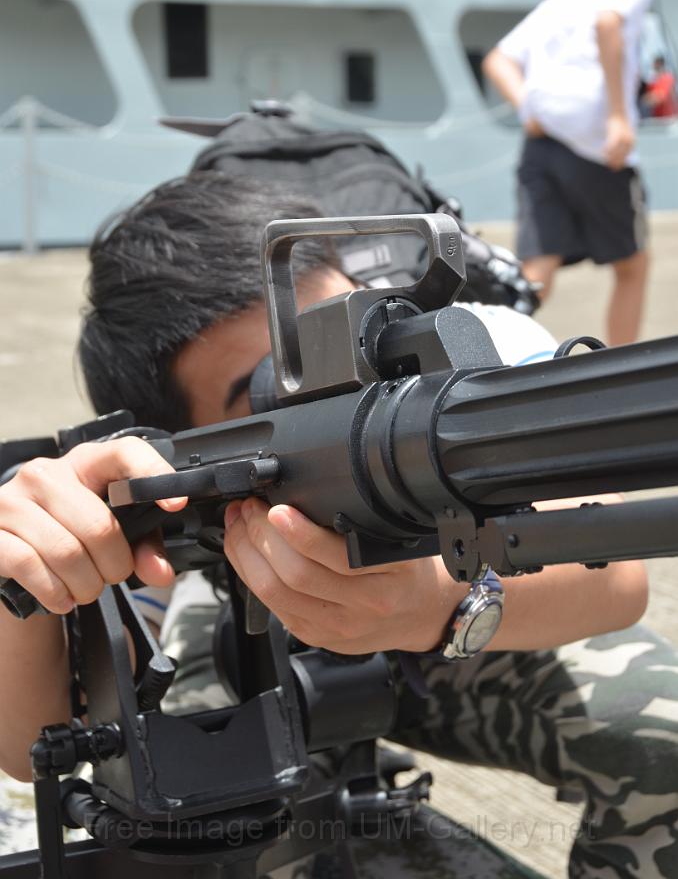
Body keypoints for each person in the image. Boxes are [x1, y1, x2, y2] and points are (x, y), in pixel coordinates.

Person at [1, 173, 678, 875]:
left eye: (343, 339)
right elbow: (35, 743)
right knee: (209, 816)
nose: (346, 399)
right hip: (252, 624)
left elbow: (616, 580)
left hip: (456, 616)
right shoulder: (162, 510)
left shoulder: (471, 373)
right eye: (276, 387)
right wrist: (28, 572)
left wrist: (436, 605)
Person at [482, 0, 660, 348]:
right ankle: (621, 369)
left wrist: (528, 108)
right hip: (596, 146)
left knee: (537, 266)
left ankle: (492, 361)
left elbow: (499, 58)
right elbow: (608, 24)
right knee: (633, 265)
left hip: (543, 142)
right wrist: (621, 118)